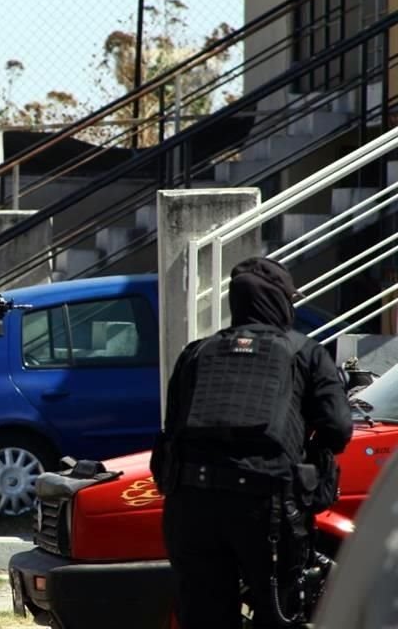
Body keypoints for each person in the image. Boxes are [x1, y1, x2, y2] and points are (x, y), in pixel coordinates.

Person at [151, 256, 353, 628]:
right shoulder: (304, 352)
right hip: (267, 508)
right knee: (279, 615)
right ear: (281, 301)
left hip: (192, 506)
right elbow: (338, 430)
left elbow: (172, 429)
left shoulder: (195, 353)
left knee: (204, 617)